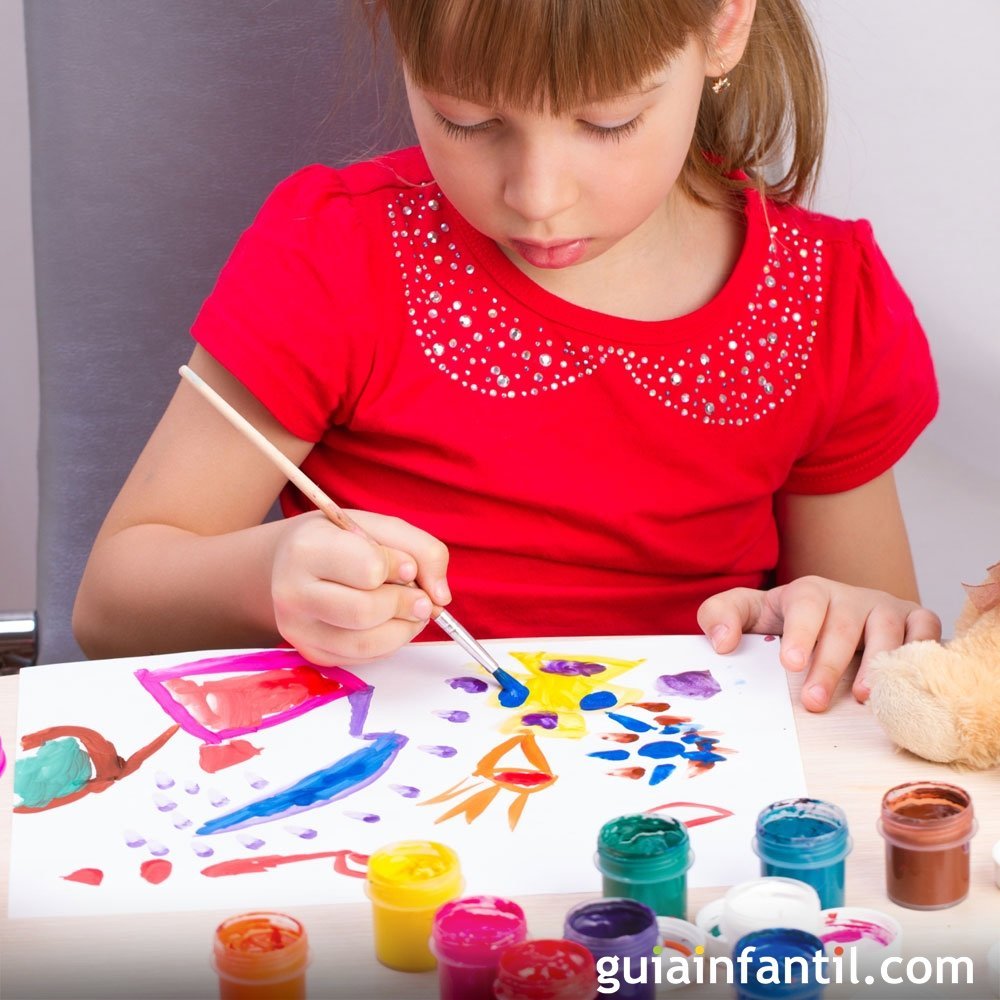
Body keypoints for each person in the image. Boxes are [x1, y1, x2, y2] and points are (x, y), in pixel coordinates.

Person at [72, 0, 941, 712]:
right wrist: (270, 576)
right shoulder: (336, 254)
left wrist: (847, 624)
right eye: (468, 119)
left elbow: (871, 659)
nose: (537, 197)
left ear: (722, 28)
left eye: (609, 121)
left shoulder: (827, 299)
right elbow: (111, 609)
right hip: (391, 810)